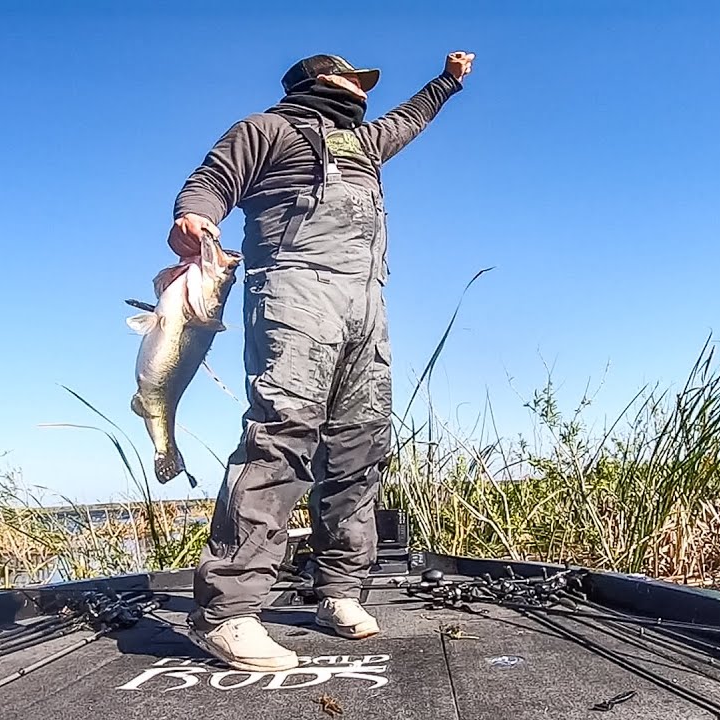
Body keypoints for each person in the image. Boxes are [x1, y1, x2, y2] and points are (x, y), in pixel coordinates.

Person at [167, 51, 474, 672]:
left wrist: (447, 82)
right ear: (315, 82)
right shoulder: (265, 128)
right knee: (282, 434)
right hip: (294, 286)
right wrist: (195, 217)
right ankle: (228, 613)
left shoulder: (365, 140)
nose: (361, 90)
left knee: (361, 444)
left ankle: (338, 592)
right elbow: (214, 178)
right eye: (351, 79)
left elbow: (411, 118)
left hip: (368, 303)